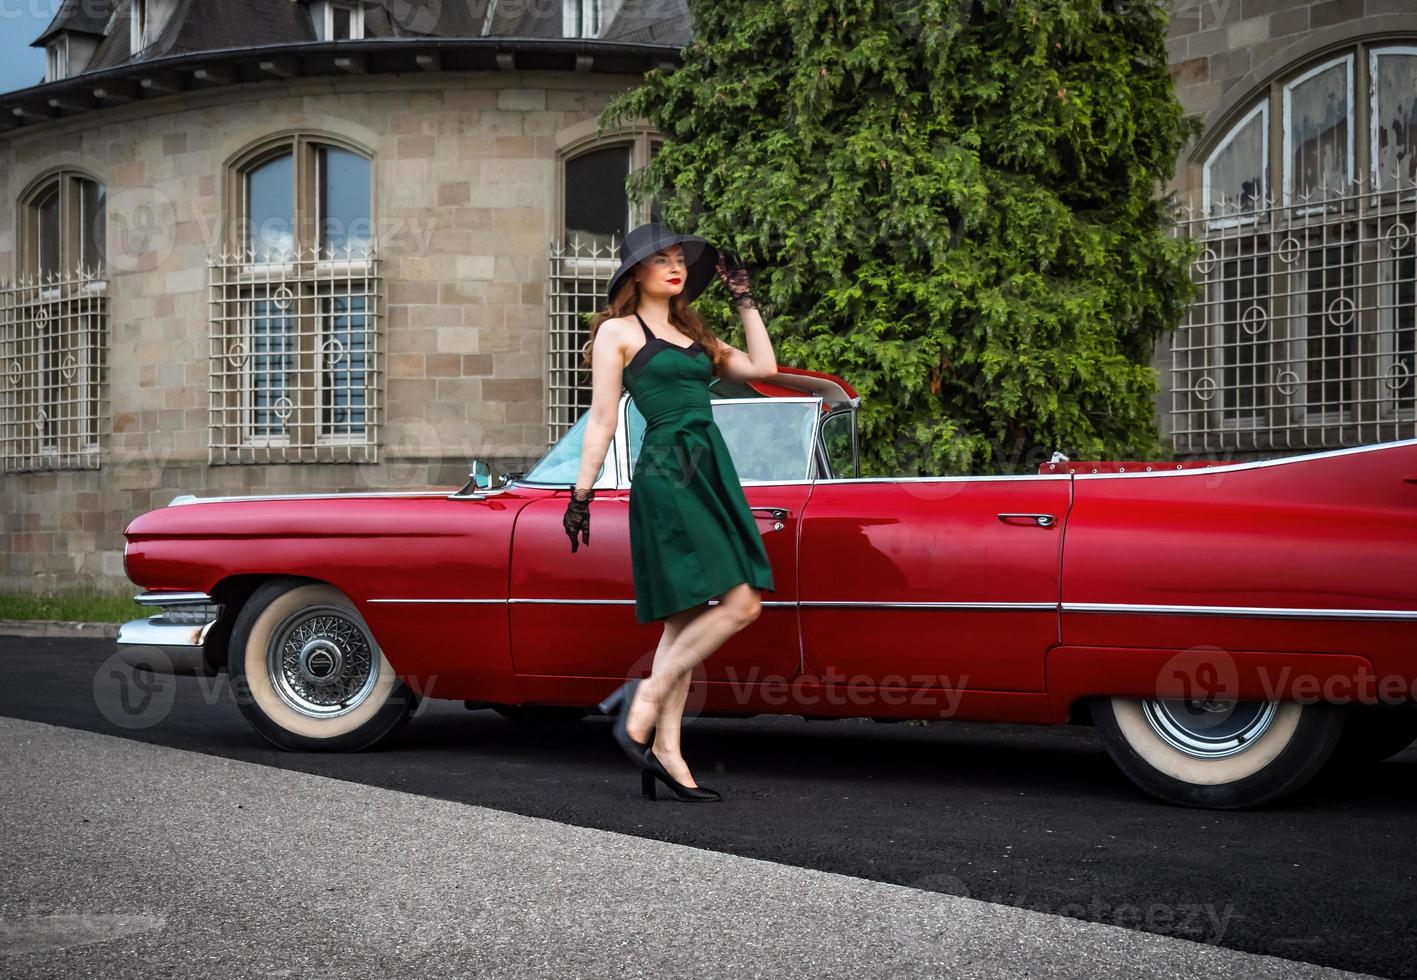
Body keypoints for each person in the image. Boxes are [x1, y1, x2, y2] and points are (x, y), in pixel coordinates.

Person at [562, 221, 779, 803]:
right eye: (660, 259)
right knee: (742, 602)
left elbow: (763, 369)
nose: (674, 266)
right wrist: (580, 494)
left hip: (709, 467)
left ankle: (666, 752)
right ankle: (645, 700)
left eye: (679, 257)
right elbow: (603, 419)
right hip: (666, 472)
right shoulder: (616, 332)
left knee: (684, 619)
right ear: (637, 273)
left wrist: (744, 299)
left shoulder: (693, 331)